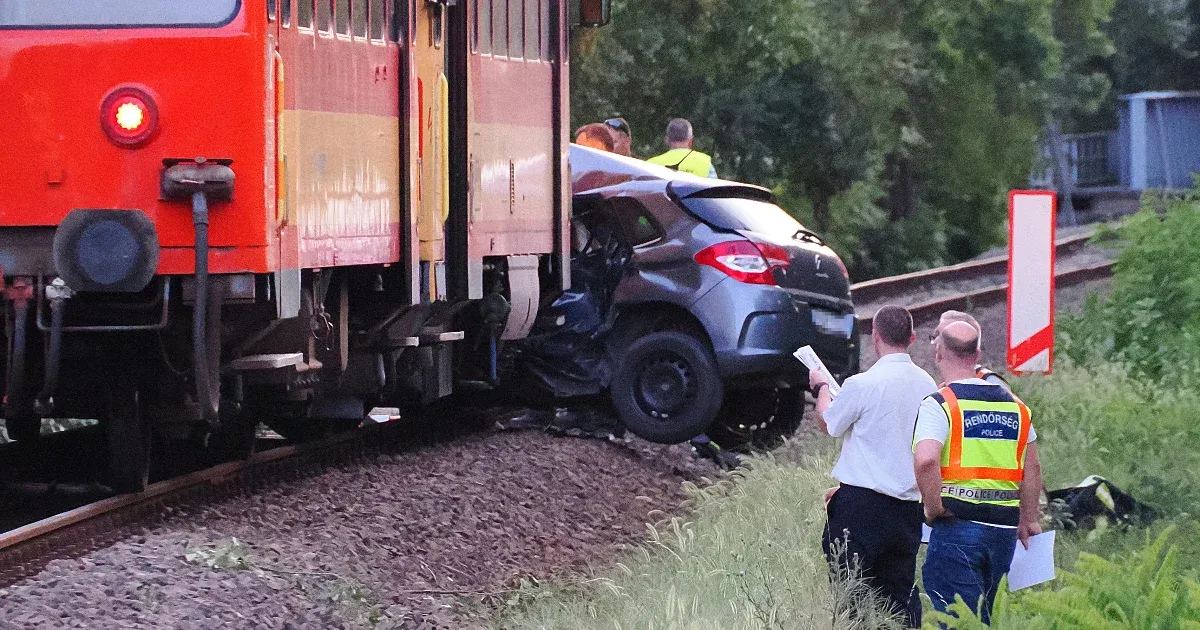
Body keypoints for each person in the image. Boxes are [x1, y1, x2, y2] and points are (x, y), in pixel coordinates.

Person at [809, 305, 937, 627]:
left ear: (875, 337)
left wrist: (822, 388)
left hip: (860, 508)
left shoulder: (862, 384)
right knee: (899, 598)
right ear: (912, 337)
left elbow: (829, 423)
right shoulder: (929, 386)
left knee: (851, 596)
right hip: (907, 509)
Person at [913, 321, 1044, 624]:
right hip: (1003, 531)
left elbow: (926, 461)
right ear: (978, 353)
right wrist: (1029, 518)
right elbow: (1032, 466)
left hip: (957, 525)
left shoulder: (941, 404)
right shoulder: (1016, 407)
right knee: (989, 618)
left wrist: (932, 508)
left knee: (959, 619)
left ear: (938, 353)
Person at [933, 310, 1009, 389]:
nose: (936, 342)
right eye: (936, 335)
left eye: (947, 337)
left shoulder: (992, 384)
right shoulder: (938, 384)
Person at [647, 118, 717, 178]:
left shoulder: (650, 165)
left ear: (667, 140)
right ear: (691, 141)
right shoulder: (704, 163)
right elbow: (715, 190)